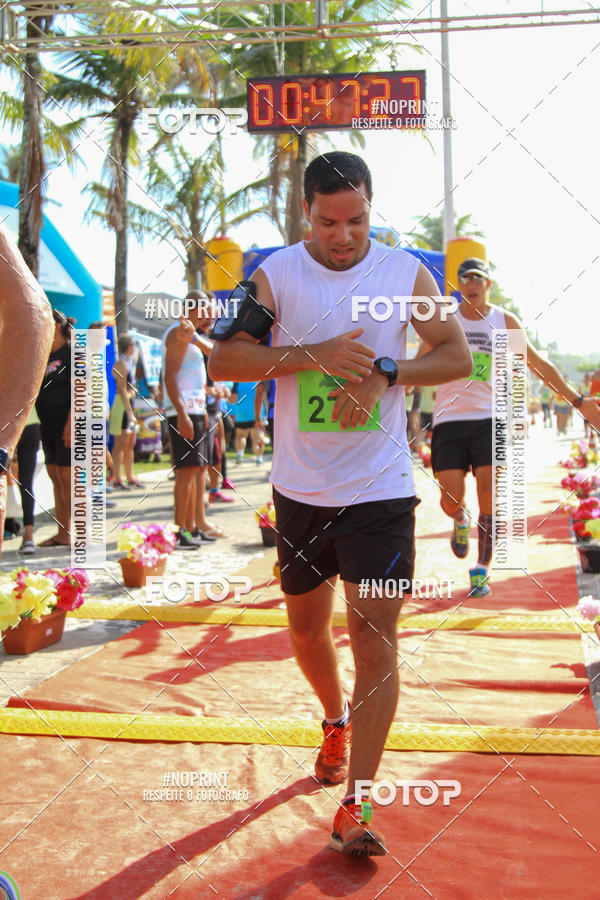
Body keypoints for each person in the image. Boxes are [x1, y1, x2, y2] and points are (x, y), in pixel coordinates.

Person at [209, 151, 472, 856]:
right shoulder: (274, 275)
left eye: (356, 220)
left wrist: (390, 370)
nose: (344, 236)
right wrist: (311, 353)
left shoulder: (403, 273)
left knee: (376, 637)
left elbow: (455, 356)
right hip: (300, 491)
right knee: (304, 631)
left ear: (370, 207)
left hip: (381, 490)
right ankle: (333, 719)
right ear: (307, 215)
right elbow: (224, 359)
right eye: (329, 222)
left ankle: (357, 804)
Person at [428, 257, 600, 599]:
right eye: (465, 280)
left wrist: (578, 400)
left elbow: (538, 365)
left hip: (490, 418)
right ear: (459, 285)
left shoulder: (502, 321)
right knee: (450, 499)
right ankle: (459, 519)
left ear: (487, 284)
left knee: (489, 494)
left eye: (478, 279)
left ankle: (481, 569)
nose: (471, 285)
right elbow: (418, 362)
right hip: (448, 419)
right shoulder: (444, 320)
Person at [0, 226, 53, 556]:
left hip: (29, 424)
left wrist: (2, 446)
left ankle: (29, 533)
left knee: (30, 480)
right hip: (23, 422)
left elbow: (34, 312)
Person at [162, 295, 221, 549]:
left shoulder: (193, 335)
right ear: (193, 308)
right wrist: (182, 412)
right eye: (205, 311)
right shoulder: (178, 332)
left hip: (197, 410)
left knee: (198, 470)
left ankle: (191, 527)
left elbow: (195, 378)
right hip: (183, 411)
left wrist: (202, 412)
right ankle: (178, 530)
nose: (208, 317)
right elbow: (170, 376)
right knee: (186, 471)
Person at [35, 309, 76, 547]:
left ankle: (80, 533)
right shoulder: (42, 355)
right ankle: (63, 533)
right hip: (46, 424)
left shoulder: (72, 351)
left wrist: (71, 424)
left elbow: (79, 391)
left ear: (58, 325)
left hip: (67, 424)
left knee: (67, 477)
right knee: (54, 477)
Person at [108, 333, 141, 489]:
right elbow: (121, 390)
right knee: (120, 444)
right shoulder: (121, 364)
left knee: (130, 443)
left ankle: (130, 476)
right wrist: (129, 412)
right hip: (122, 405)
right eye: (134, 345)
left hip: (130, 403)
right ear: (129, 347)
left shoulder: (129, 362)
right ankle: (117, 478)